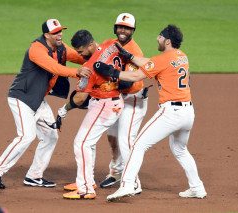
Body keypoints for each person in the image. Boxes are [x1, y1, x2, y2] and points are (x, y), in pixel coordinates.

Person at [93, 24, 207, 201]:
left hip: (171, 113)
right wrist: (130, 56)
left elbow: (135, 76)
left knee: (138, 145)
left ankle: (127, 185)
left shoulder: (161, 60)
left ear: (167, 41)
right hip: (188, 113)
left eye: (160, 36)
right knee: (180, 149)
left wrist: (111, 71)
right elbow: (151, 64)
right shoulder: (181, 56)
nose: (157, 39)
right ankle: (197, 188)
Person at [0, 19, 91, 189]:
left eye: (60, 31)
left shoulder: (61, 47)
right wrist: (76, 72)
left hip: (38, 100)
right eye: (55, 32)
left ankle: (34, 176)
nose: (59, 34)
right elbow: (54, 68)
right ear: (46, 35)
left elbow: (80, 57)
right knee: (26, 136)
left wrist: (97, 58)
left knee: (50, 135)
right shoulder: (36, 49)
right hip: (21, 97)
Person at [59, 29, 125, 199]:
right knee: (89, 142)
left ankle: (86, 188)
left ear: (90, 45)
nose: (79, 55)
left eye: (81, 51)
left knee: (81, 143)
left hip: (105, 105)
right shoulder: (110, 44)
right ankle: (86, 180)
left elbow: (80, 99)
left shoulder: (89, 67)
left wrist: (64, 110)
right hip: (115, 100)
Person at [97, 13, 148, 191]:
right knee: (112, 136)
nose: (122, 31)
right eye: (120, 26)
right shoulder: (109, 44)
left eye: (126, 28)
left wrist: (107, 75)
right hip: (116, 97)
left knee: (126, 140)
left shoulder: (135, 51)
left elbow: (128, 82)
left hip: (132, 98)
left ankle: (133, 182)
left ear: (133, 30)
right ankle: (116, 172)